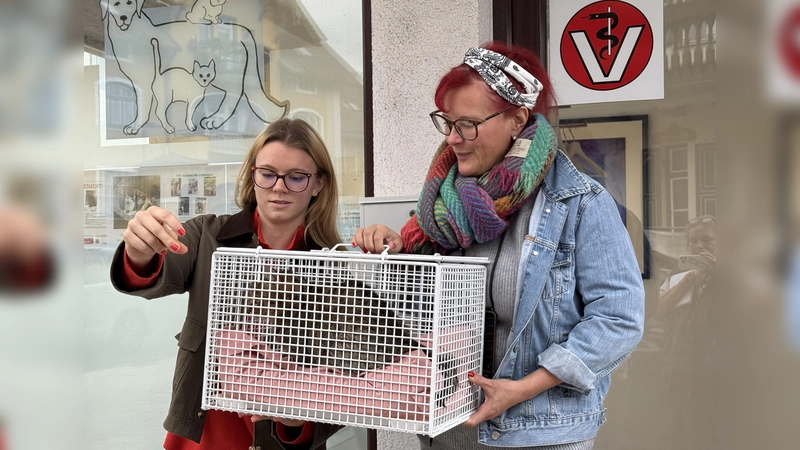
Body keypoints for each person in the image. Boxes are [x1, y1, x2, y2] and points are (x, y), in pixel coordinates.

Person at [353, 42, 644, 449]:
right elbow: (414, 317)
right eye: (447, 122)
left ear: (516, 119)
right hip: (449, 431)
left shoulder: (579, 203)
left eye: (468, 124)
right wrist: (398, 252)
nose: (453, 138)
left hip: (537, 434)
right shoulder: (441, 207)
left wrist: (522, 388)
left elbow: (618, 319)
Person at [110, 118, 343, 450]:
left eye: (296, 177)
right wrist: (139, 250)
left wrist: (299, 422)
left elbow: (349, 385)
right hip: (205, 439)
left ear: (318, 184)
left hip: (277, 442)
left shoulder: (333, 268)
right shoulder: (208, 236)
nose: (279, 187)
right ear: (253, 175)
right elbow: (153, 272)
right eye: (268, 173)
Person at [651, 215, 718, 450]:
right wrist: (687, 281)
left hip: (720, 375)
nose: (699, 246)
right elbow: (659, 311)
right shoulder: (676, 275)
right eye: (693, 241)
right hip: (682, 370)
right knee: (687, 433)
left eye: (707, 240)